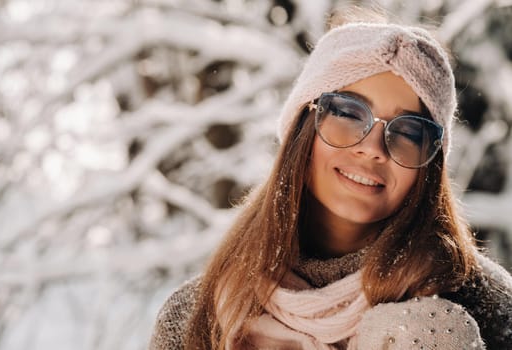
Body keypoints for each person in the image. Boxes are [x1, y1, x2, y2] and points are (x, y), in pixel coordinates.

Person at [149, 6, 512, 350]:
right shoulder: (195, 315)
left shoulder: (486, 307)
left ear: (429, 168)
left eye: (409, 132)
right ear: (302, 127)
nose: (373, 148)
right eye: (349, 113)